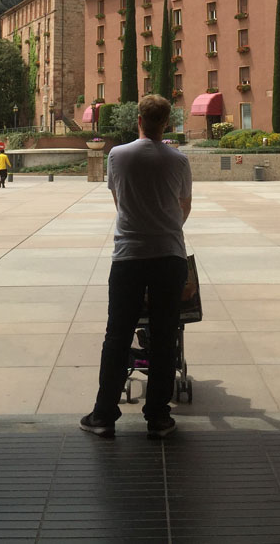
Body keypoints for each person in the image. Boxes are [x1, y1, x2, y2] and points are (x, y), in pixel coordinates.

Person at [81, 94, 192, 440]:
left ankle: (104, 414)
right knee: (164, 335)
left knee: (117, 334)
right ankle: (158, 416)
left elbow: (119, 201)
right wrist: (165, 227)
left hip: (128, 255)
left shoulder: (118, 155)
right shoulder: (179, 160)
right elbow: (183, 207)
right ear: (167, 123)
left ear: (138, 120)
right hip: (169, 255)